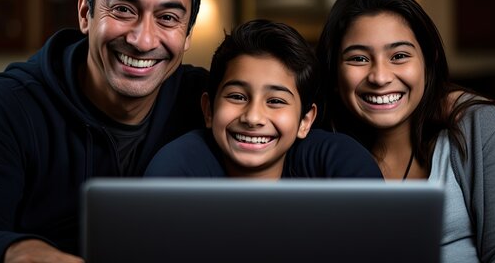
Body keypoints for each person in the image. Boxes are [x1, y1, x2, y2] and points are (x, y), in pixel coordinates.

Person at [0, 0, 207, 263]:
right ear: (85, 13)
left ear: (188, 34)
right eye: (123, 10)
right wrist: (18, 251)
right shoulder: (5, 106)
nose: (142, 40)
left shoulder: (210, 103)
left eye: (168, 18)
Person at [314, 0, 495, 262]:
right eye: (359, 58)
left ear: (428, 61)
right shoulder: (315, 149)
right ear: (334, 73)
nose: (380, 77)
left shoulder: (475, 126)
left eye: (399, 56)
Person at [145, 19, 382, 179]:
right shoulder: (176, 166)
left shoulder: (339, 160)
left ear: (305, 121)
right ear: (208, 110)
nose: (253, 117)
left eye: (276, 101)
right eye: (237, 96)